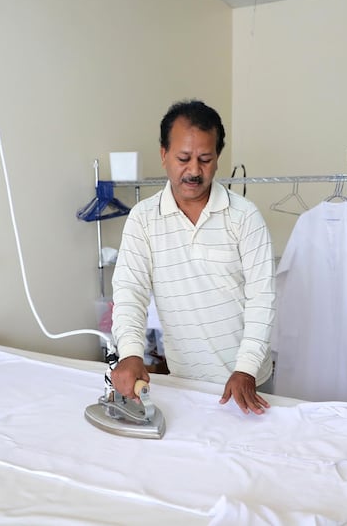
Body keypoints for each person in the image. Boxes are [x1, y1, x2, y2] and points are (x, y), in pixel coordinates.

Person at [110, 99, 275, 415]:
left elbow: (262, 298)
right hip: (184, 382)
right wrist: (130, 353)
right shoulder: (143, 219)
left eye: (205, 159)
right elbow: (131, 291)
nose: (194, 171)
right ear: (164, 155)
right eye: (184, 158)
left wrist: (247, 367)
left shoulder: (244, 217)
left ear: (217, 158)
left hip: (247, 379)